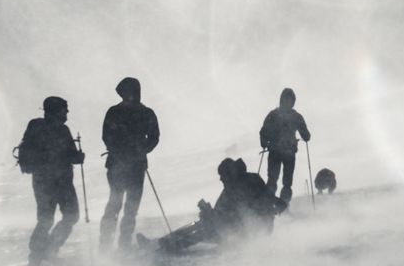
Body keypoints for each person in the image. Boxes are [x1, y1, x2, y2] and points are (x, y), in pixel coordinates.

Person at [153, 157, 286, 254]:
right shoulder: (245, 181)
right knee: (201, 225)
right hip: (248, 231)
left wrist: (208, 213)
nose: (220, 179)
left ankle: (167, 247)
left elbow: (229, 217)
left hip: (246, 235)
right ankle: (164, 244)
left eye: (222, 175)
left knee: (204, 230)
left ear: (229, 174)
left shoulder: (238, 188)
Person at [19, 96, 85, 266]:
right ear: (56, 110)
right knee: (69, 216)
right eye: (65, 109)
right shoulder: (62, 130)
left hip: (43, 181)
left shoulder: (36, 127)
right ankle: (47, 251)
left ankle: (39, 254)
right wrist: (78, 157)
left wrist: (74, 157)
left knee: (46, 218)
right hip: (59, 181)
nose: (67, 112)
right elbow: (68, 155)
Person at [100, 77, 160, 251]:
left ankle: (115, 244)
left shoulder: (117, 112)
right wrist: (138, 149)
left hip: (127, 164)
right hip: (128, 164)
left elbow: (154, 138)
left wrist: (140, 149)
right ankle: (113, 244)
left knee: (124, 205)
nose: (129, 95)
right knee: (120, 204)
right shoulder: (144, 113)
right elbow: (154, 138)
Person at [259, 87, 311, 203]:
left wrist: (264, 142)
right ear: (282, 100)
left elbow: (263, 132)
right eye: (286, 99)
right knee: (275, 180)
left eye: (289, 100)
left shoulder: (274, 114)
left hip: (282, 152)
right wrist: (306, 136)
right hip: (284, 152)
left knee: (283, 182)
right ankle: (275, 206)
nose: (287, 102)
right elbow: (264, 132)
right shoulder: (295, 116)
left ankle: (276, 206)